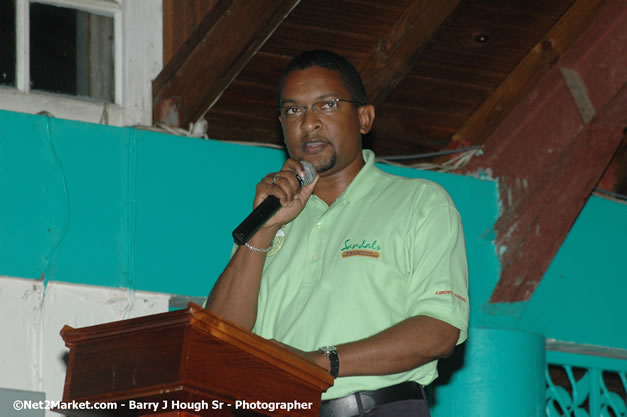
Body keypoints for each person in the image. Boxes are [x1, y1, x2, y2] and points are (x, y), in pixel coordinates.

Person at [206, 50, 469, 417]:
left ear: (364, 118)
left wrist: (320, 362)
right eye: (293, 110)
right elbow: (218, 342)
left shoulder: (419, 203)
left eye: (326, 105)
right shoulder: (268, 218)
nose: (308, 123)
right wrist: (263, 231)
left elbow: (439, 331)